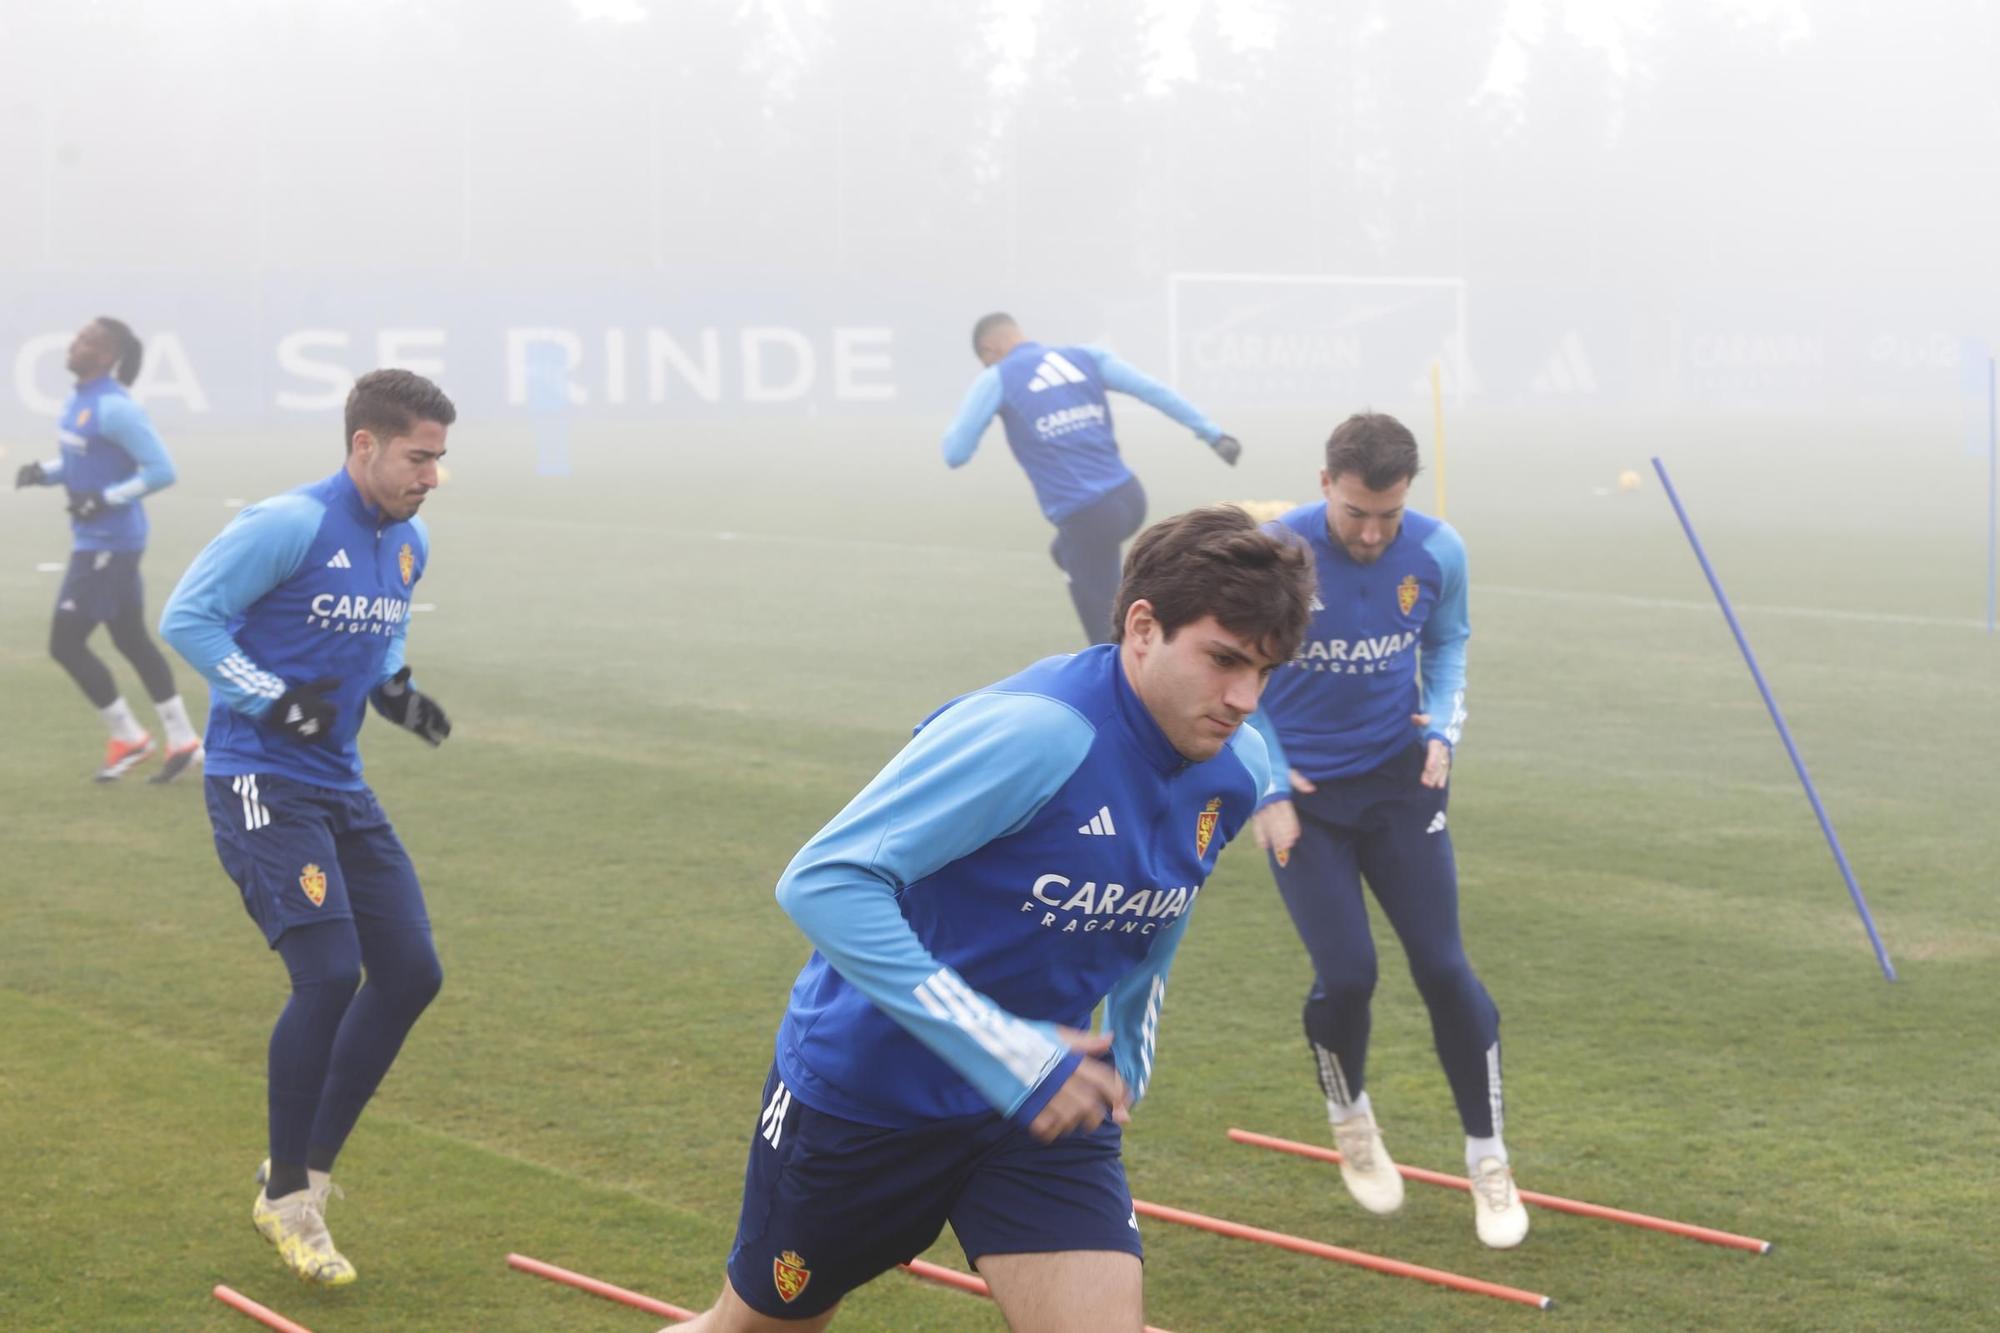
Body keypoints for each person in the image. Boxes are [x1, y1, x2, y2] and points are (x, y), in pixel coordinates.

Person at [681, 506, 1314, 1332]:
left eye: (1265, 671)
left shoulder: (1238, 764)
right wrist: (1004, 1044)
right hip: (870, 1101)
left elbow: (1163, 896)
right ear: (1142, 627)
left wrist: (1133, 1021)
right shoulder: (1037, 733)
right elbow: (823, 881)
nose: (1243, 699)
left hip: (1044, 1104)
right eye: (1224, 660)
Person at [159, 369, 458, 1285]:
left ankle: (301, 1177)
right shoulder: (286, 524)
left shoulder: (408, 545)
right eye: (418, 456)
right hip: (260, 780)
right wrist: (273, 701)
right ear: (363, 444)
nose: (432, 476)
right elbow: (189, 618)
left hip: (341, 784)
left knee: (410, 972)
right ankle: (289, 1196)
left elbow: (385, 637)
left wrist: (399, 693)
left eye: (442, 459)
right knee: (328, 973)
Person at [1245, 412, 1529, 1249]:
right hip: (1301, 797)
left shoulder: (1440, 551)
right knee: (1349, 973)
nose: (1372, 534)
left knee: (1444, 965)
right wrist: (1263, 779)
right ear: (1326, 482)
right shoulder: (1273, 553)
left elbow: (1448, 649)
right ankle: (1351, 1117)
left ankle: (1489, 1159)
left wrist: (1442, 726)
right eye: (1356, 513)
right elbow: (1233, 669)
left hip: (1403, 784)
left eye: (1388, 516)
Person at [941, 313, 1243, 646]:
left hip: (1087, 515)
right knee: (1067, 553)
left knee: (1107, 640)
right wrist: (1213, 434)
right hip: (1129, 497)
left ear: (989, 348)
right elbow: (1152, 390)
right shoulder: (1086, 357)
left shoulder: (997, 378)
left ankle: (1156, 652)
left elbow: (956, 453)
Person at [13, 316, 203, 781]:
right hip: (101, 541)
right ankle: (182, 740)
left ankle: (130, 738)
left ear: (107, 356)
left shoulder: (118, 409)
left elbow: (161, 470)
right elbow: (87, 461)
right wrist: (46, 473)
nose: (75, 344)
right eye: (77, 336)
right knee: (130, 638)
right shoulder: (79, 401)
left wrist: (104, 499)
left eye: (87, 341)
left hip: (109, 544)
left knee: (66, 642)